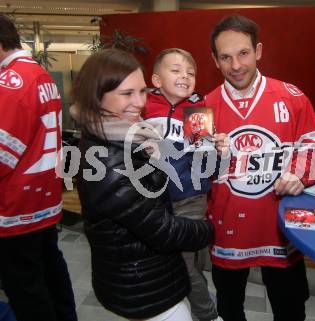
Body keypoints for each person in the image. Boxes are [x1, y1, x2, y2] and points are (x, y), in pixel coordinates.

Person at [71, 48, 214, 321]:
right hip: (140, 278)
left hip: (182, 205)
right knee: (188, 272)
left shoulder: (125, 128)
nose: (138, 102)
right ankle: (208, 313)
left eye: (141, 92)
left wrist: (215, 152)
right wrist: (212, 230)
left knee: (190, 267)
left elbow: (202, 161)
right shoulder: (113, 152)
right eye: (127, 93)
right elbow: (162, 229)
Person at [206, 15, 315, 321]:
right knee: (230, 310)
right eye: (226, 57)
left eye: (243, 53)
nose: (235, 65)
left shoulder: (292, 96)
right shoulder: (204, 108)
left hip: (280, 228)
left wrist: (299, 175)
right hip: (228, 228)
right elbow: (193, 173)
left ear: (258, 50)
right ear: (215, 60)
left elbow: (313, 147)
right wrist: (206, 154)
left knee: (290, 311)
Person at [0, 14, 77, 321]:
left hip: (17, 206)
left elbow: (3, 153)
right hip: (43, 198)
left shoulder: (11, 83)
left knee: (25, 287)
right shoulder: (39, 75)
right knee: (50, 270)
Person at [144, 48, 220, 321]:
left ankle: (207, 314)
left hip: (189, 199)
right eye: (175, 70)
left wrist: (209, 148)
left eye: (190, 72)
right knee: (162, 259)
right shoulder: (144, 105)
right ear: (156, 79)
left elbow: (205, 162)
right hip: (153, 199)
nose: (184, 76)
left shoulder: (197, 109)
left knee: (184, 263)